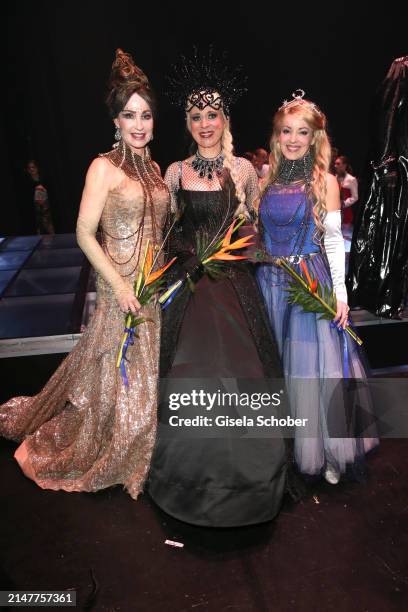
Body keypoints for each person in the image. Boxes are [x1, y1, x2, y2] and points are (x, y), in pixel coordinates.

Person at [0, 49, 170, 498]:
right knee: (118, 373)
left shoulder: (154, 170)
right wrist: (117, 284)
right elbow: (82, 232)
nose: (139, 124)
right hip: (119, 288)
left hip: (149, 289)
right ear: (115, 120)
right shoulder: (103, 167)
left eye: (146, 115)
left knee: (140, 376)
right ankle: (116, 447)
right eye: (129, 115)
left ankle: (133, 441)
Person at [148, 49, 288, 527]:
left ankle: (253, 481)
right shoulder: (175, 171)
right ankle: (185, 480)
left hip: (232, 285)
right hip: (188, 285)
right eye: (194, 116)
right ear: (186, 122)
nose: (204, 124)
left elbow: (252, 229)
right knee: (192, 373)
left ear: (224, 118)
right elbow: (166, 233)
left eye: (211, 115)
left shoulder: (245, 170)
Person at [256, 90, 378, 485]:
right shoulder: (265, 179)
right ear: (277, 136)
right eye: (286, 131)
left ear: (314, 138)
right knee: (279, 370)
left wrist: (340, 295)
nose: (293, 139)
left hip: (309, 283)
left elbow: (332, 243)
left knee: (311, 373)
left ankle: (325, 451)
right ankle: (287, 449)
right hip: (270, 284)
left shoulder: (323, 181)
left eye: (302, 132)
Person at [26, 159, 55, 234]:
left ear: (37, 168)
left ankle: (53, 237)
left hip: (46, 205)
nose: (32, 169)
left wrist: (42, 189)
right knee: (38, 224)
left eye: (33, 167)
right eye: (30, 168)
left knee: (47, 222)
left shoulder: (43, 178)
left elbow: (49, 190)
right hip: (36, 206)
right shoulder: (28, 181)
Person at [334, 155, 358, 229]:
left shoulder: (351, 179)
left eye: (338, 164)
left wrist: (343, 204)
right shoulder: (333, 178)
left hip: (345, 215)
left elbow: (355, 197)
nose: (335, 166)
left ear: (344, 165)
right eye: (335, 164)